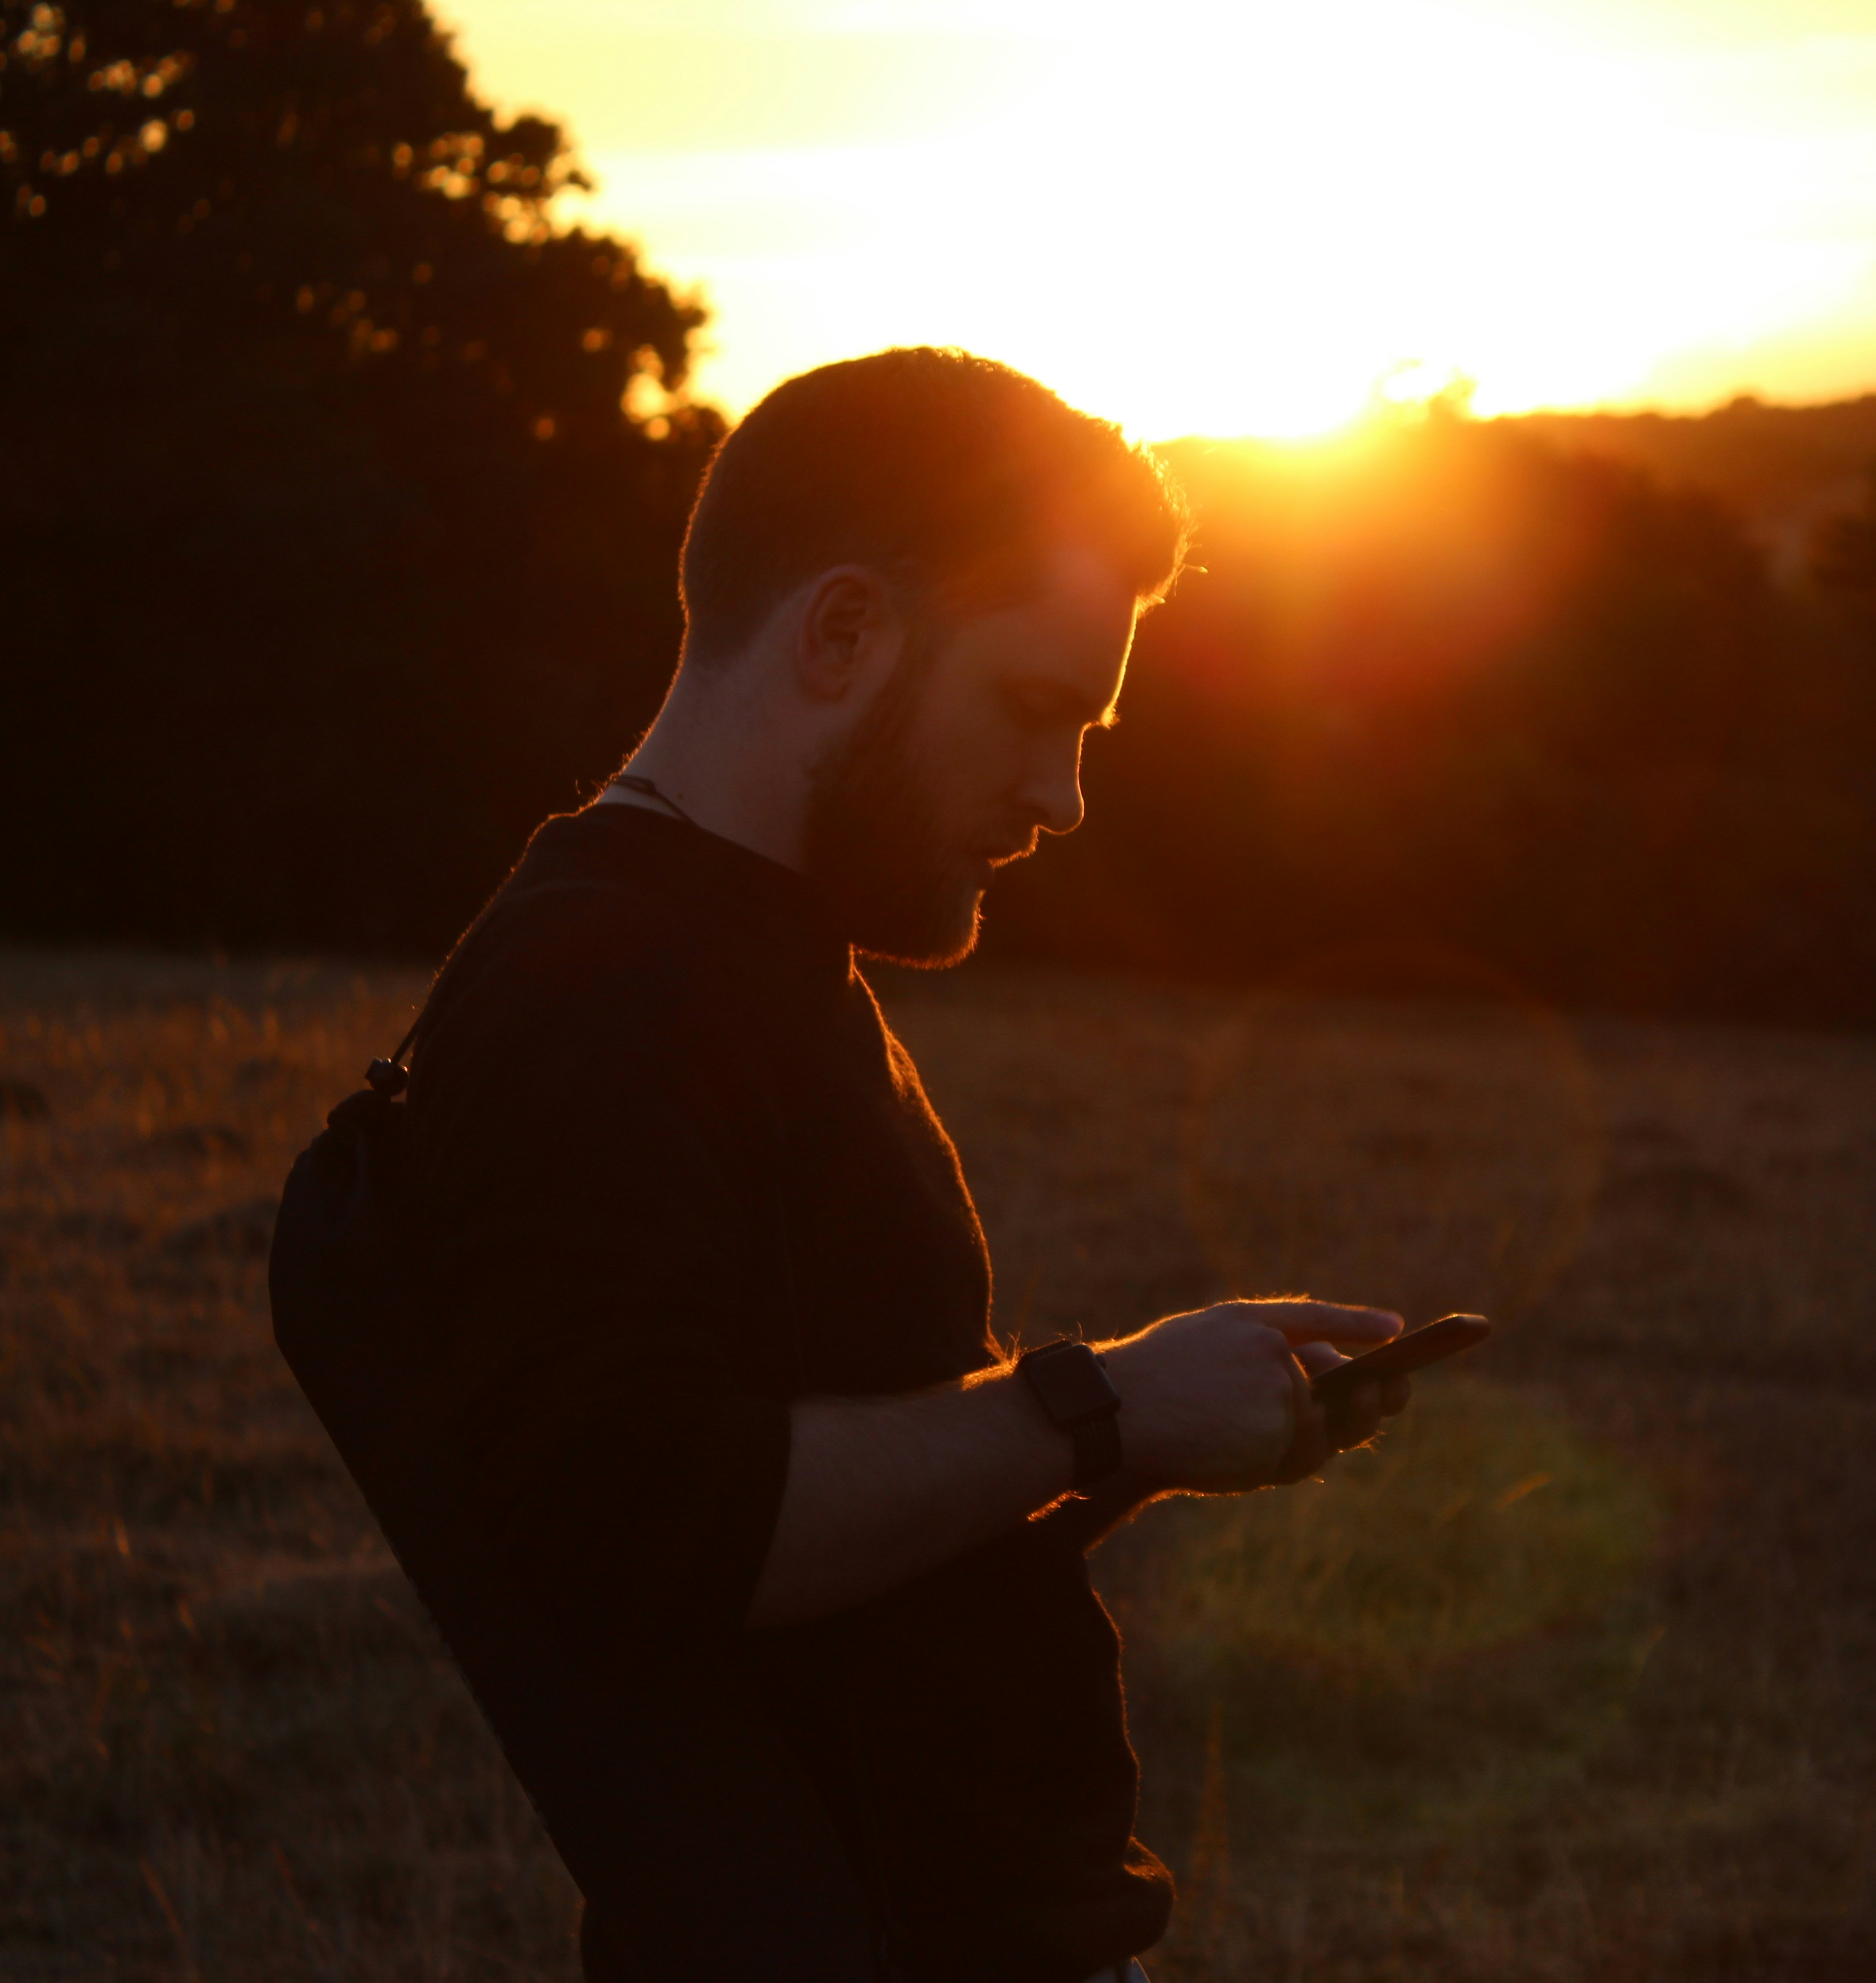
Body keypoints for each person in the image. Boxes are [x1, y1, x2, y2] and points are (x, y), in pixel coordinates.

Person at [379, 348, 1412, 1982]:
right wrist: (1094, 1407)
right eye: (1031, 707)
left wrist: (1144, 1424)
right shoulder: (606, 986)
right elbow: (640, 1531)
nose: (1065, 796)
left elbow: (834, 1515)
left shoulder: (749, 958)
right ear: (845, 632)